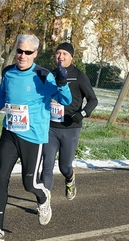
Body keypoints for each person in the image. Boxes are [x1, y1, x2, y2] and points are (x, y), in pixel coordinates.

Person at [0, 34, 72, 241]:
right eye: (20, 51)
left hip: (32, 138)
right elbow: (2, 96)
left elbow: (66, 100)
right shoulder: (9, 73)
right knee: (0, 179)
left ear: (35, 54)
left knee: (30, 184)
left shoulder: (43, 75)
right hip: (9, 133)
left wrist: (63, 82)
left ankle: (43, 197)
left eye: (28, 52)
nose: (22, 55)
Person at [41, 42, 98, 200]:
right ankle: (44, 202)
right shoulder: (50, 75)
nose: (60, 56)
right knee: (47, 165)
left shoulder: (79, 76)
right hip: (51, 127)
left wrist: (83, 113)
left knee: (64, 166)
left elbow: (93, 100)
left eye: (64, 54)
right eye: (58, 53)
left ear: (71, 57)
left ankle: (70, 178)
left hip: (70, 127)